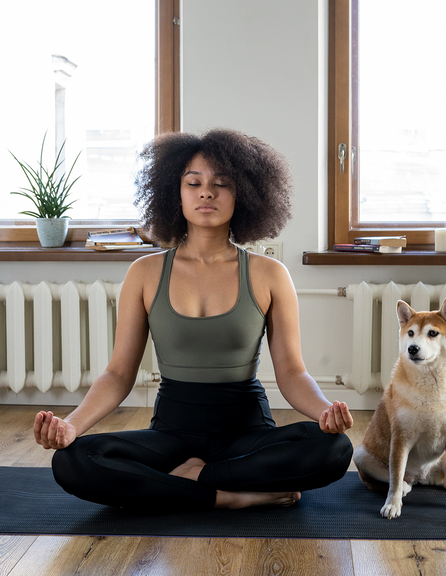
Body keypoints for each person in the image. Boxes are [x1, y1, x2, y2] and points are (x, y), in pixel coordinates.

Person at [33, 128, 354, 513]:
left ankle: (190, 482)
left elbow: (291, 372)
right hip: (172, 432)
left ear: (245, 195)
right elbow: (119, 374)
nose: (207, 193)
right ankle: (227, 494)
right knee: (73, 459)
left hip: (246, 431)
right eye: (194, 183)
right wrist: (71, 425)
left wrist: (323, 413)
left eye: (221, 184)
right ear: (175, 192)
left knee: (334, 448)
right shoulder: (145, 272)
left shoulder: (270, 274)